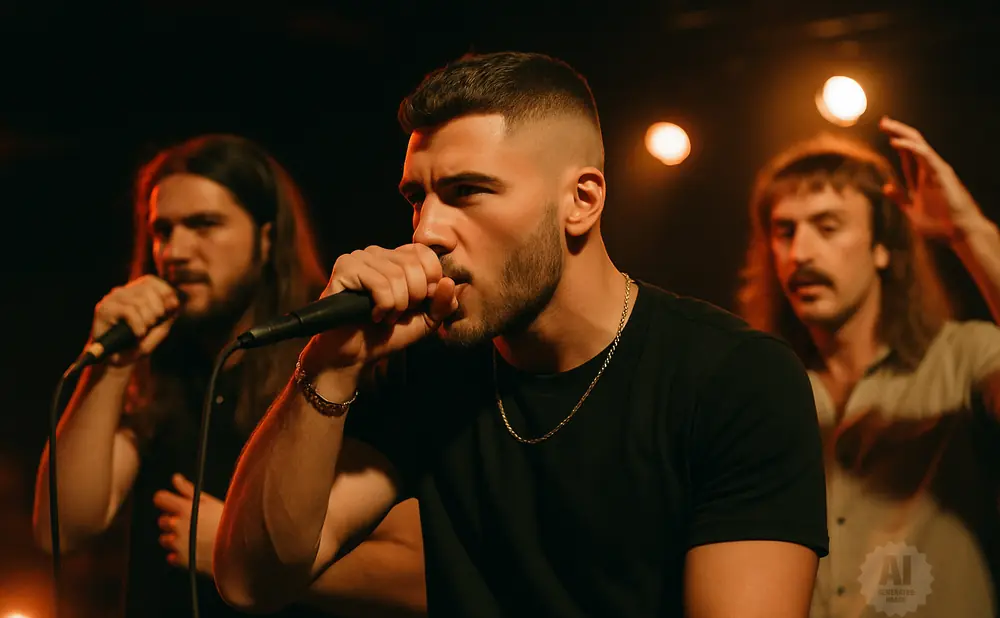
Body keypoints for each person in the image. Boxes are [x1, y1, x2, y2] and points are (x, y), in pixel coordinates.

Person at [214, 51, 830, 618]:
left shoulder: (734, 377)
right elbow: (251, 579)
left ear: (581, 201)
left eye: (467, 193)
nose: (427, 230)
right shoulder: (423, 370)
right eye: (417, 198)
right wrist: (329, 364)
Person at [32, 134, 427, 618]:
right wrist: (111, 369)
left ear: (266, 237)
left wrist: (235, 554)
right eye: (162, 231)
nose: (174, 251)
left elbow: (421, 578)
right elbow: (63, 527)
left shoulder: (341, 354)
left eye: (204, 225)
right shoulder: (164, 368)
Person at [736, 119, 1000, 618]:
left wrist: (969, 233)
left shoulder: (965, 355)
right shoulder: (762, 386)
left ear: (883, 246)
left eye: (827, 226)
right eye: (784, 231)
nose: (800, 253)